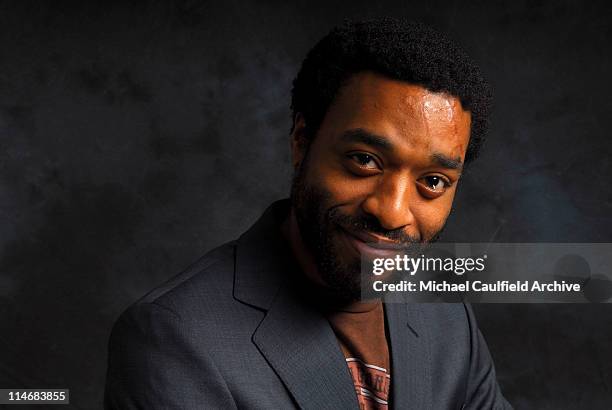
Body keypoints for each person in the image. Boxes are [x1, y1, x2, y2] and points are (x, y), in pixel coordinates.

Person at [105, 18, 512, 409]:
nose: (391, 212)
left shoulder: (447, 321)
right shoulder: (177, 338)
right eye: (365, 160)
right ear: (303, 140)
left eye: (434, 182)